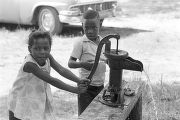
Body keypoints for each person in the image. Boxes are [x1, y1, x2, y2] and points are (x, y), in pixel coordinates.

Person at [8, 30, 89, 120]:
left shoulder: (48, 57)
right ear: (29, 49)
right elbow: (51, 80)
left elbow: (61, 70)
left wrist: (78, 80)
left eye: (45, 48)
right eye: (37, 48)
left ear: (50, 48)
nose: (42, 52)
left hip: (36, 98)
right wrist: (75, 90)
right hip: (20, 100)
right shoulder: (30, 64)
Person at [68, 10, 107, 116]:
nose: (89, 31)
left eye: (94, 27)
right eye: (86, 28)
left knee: (99, 115)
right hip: (86, 88)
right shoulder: (80, 43)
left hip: (100, 86)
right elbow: (70, 63)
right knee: (85, 115)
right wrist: (82, 64)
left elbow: (107, 60)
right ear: (82, 26)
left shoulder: (104, 42)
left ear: (100, 24)